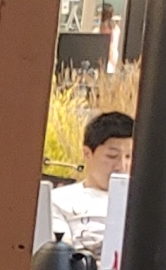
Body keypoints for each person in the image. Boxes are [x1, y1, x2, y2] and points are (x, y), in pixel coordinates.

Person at [53, 110, 134, 256]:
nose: (122, 166)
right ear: (87, 153)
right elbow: (60, 257)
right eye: (112, 156)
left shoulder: (146, 203)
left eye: (129, 156)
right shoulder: (59, 200)